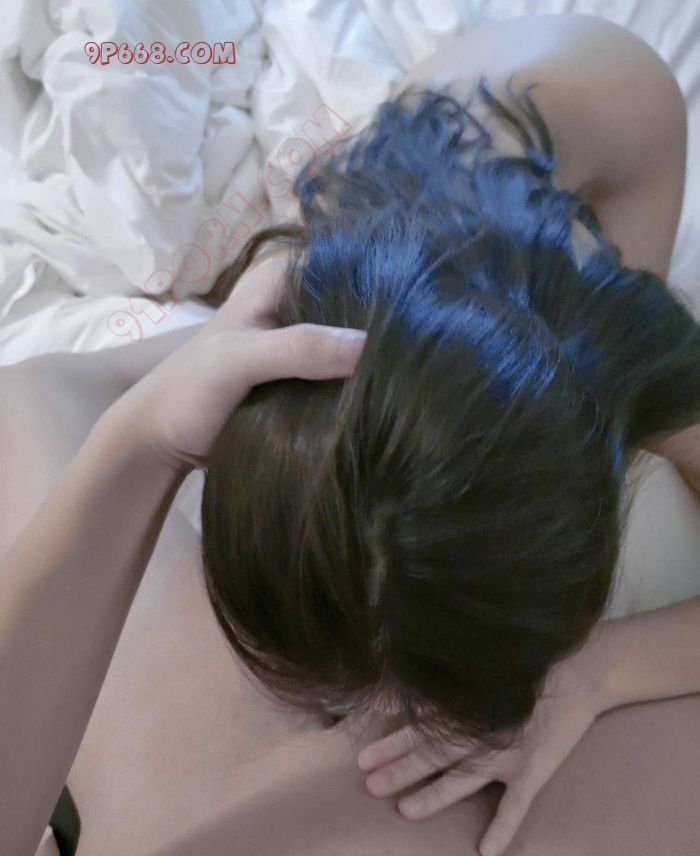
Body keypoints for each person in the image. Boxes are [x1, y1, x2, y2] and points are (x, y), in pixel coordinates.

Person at [1, 12, 699, 856]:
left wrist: (600, 669)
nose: (367, 724)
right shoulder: (316, 304)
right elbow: (33, 391)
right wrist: (155, 426)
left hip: (598, 142)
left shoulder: (615, 343)